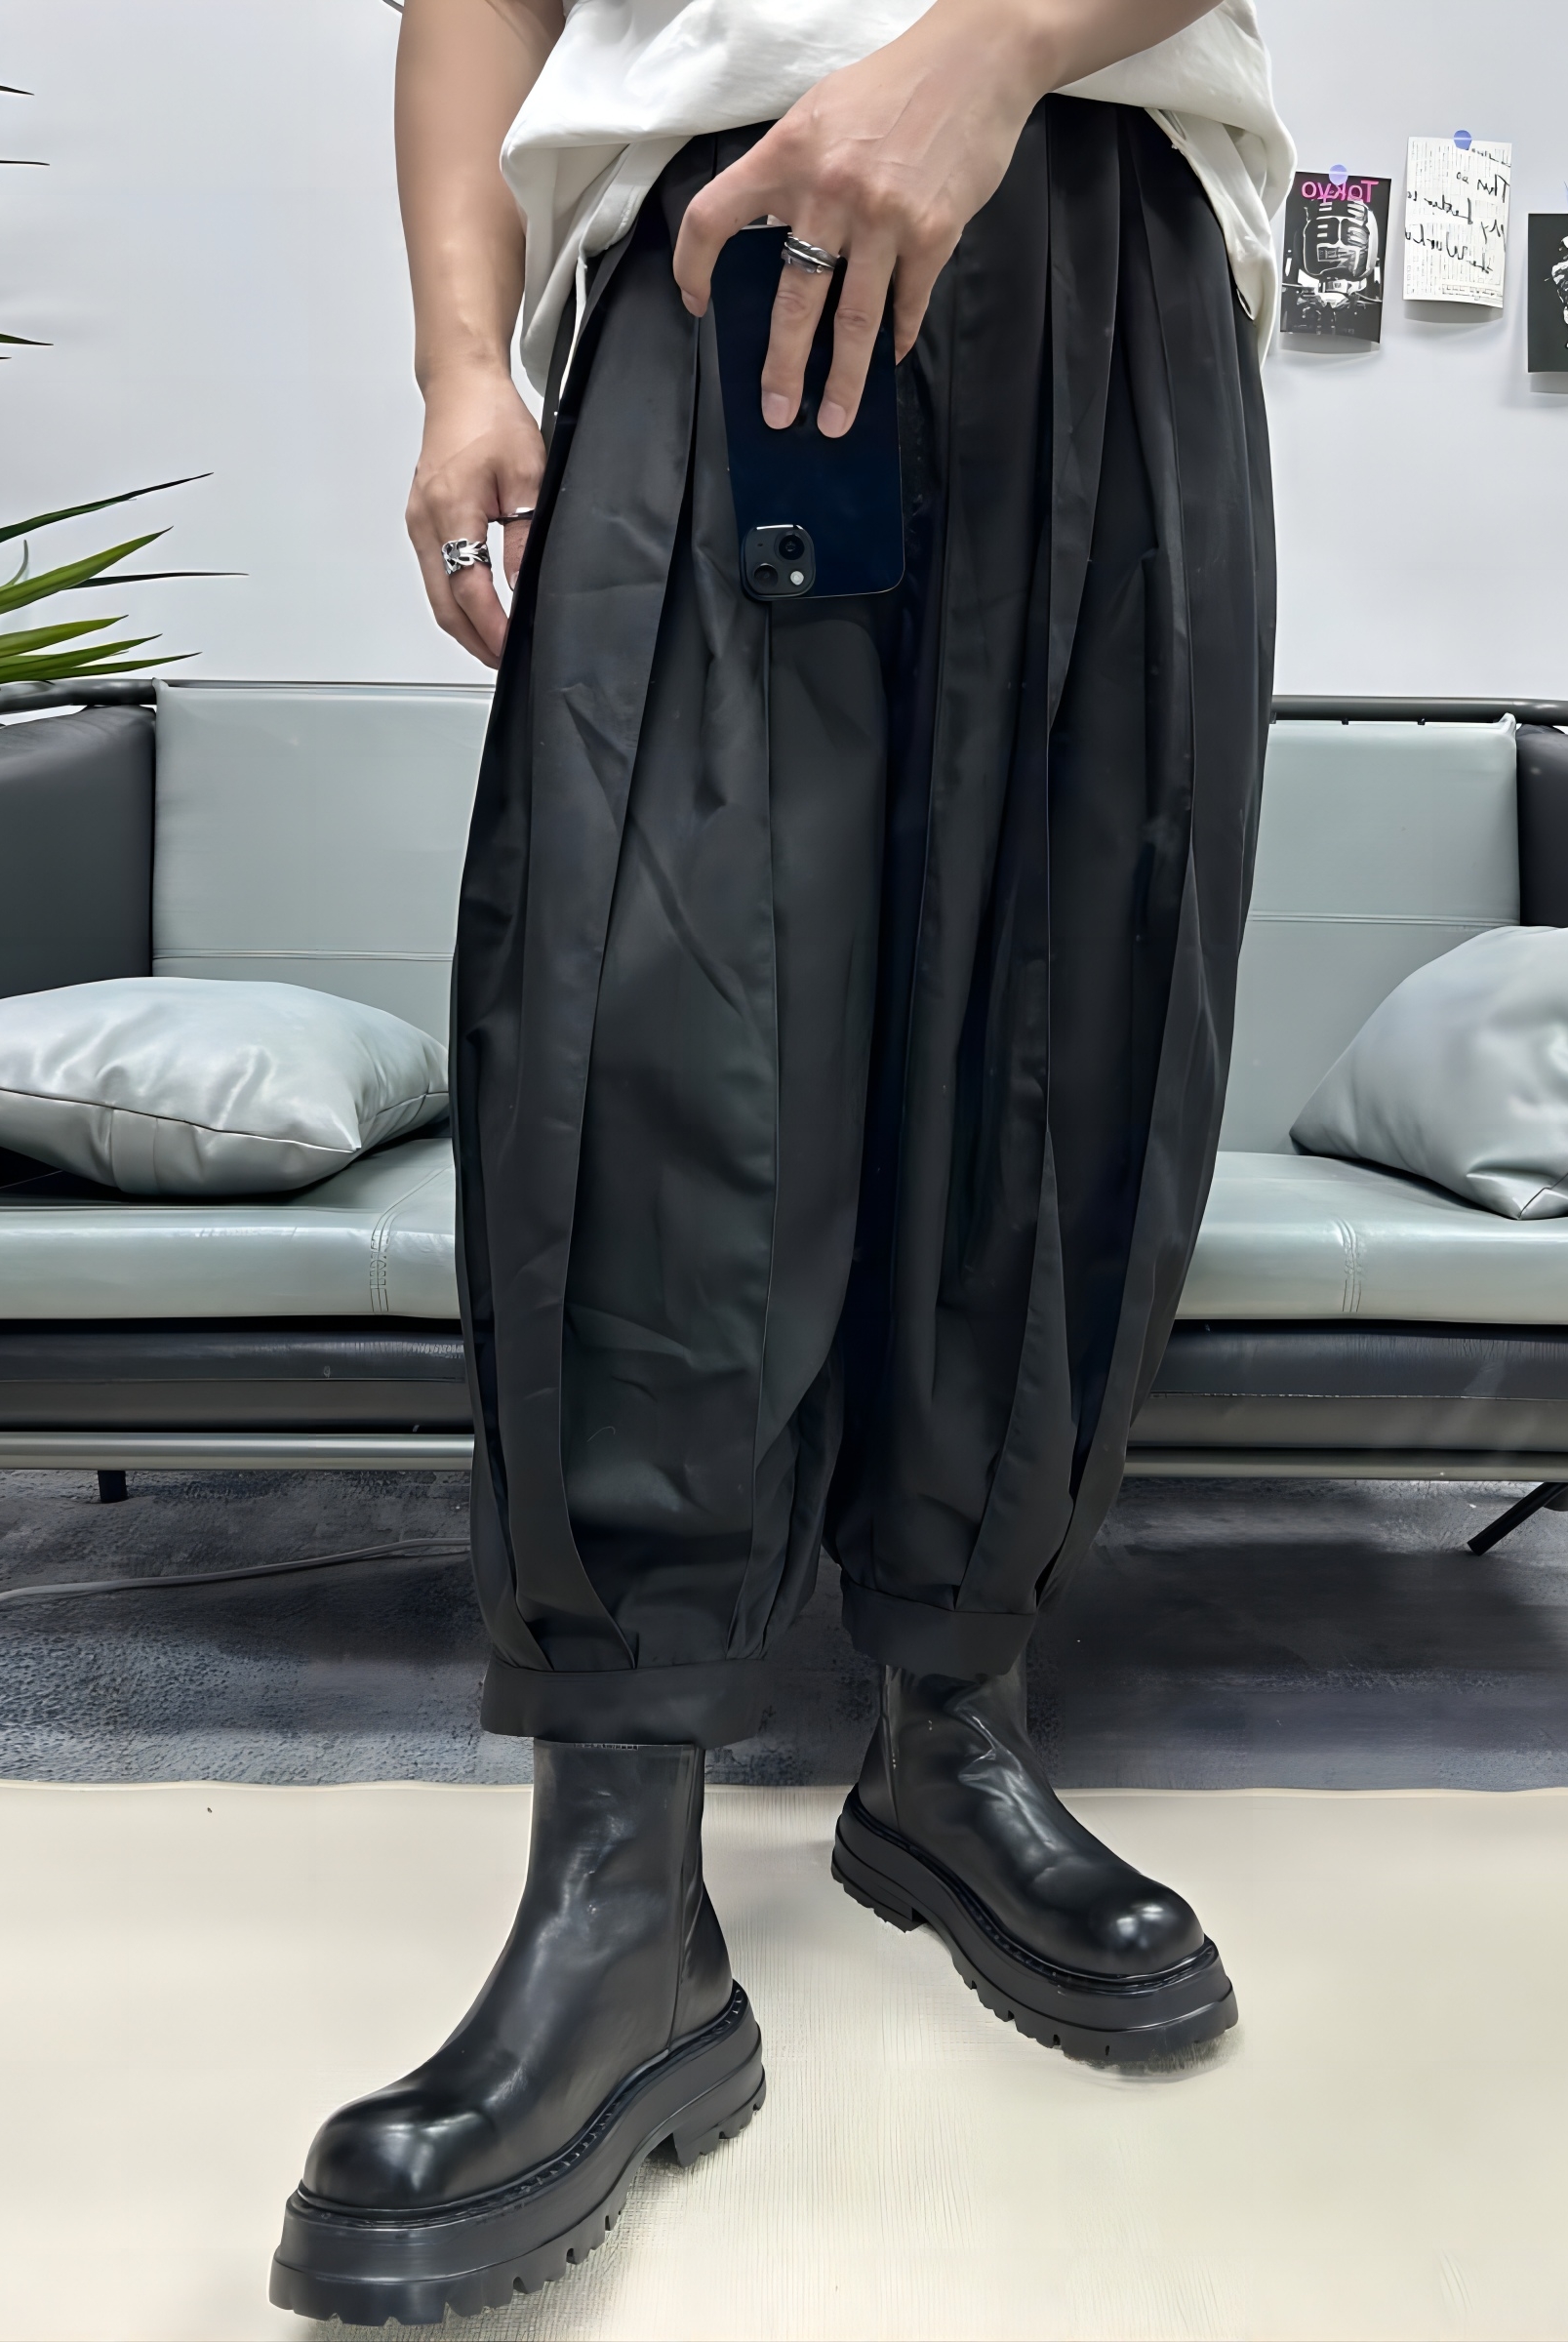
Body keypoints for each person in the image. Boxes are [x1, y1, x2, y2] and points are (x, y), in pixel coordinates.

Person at [269, 0, 1291, 2322]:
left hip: (1109, 222)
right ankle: (618, 1880)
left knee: (1069, 1025)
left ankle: (951, 1732)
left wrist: (1002, 49)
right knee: (645, 1030)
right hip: (711, 238)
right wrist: (462, 360)